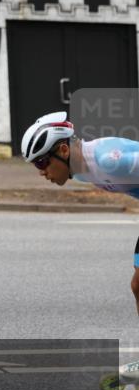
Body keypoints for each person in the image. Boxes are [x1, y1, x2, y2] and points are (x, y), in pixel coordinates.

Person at [21, 111, 139, 315]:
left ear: (64, 150)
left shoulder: (109, 160)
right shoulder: (80, 169)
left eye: (41, 162)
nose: (41, 172)